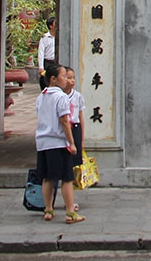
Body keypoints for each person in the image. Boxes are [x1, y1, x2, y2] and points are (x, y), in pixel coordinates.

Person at [35, 63, 84, 224]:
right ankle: (70, 212)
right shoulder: (61, 97)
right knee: (67, 178)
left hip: (43, 142)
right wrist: (72, 142)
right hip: (58, 141)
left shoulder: (41, 96)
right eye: (63, 76)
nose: (66, 79)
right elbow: (64, 120)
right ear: (53, 79)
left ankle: (48, 210)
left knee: (48, 178)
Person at [64, 66, 85, 211]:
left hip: (75, 129)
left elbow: (81, 117)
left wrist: (81, 140)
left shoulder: (77, 96)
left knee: (71, 168)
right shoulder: (57, 96)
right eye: (68, 77)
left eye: (73, 77)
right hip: (63, 131)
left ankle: (69, 201)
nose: (71, 81)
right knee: (61, 168)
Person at [38, 16, 57, 90]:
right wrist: (41, 67)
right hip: (48, 62)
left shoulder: (60, 36)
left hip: (56, 61)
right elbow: (41, 52)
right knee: (46, 80)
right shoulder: (45, 37)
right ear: (51, 26)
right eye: (55, 23)